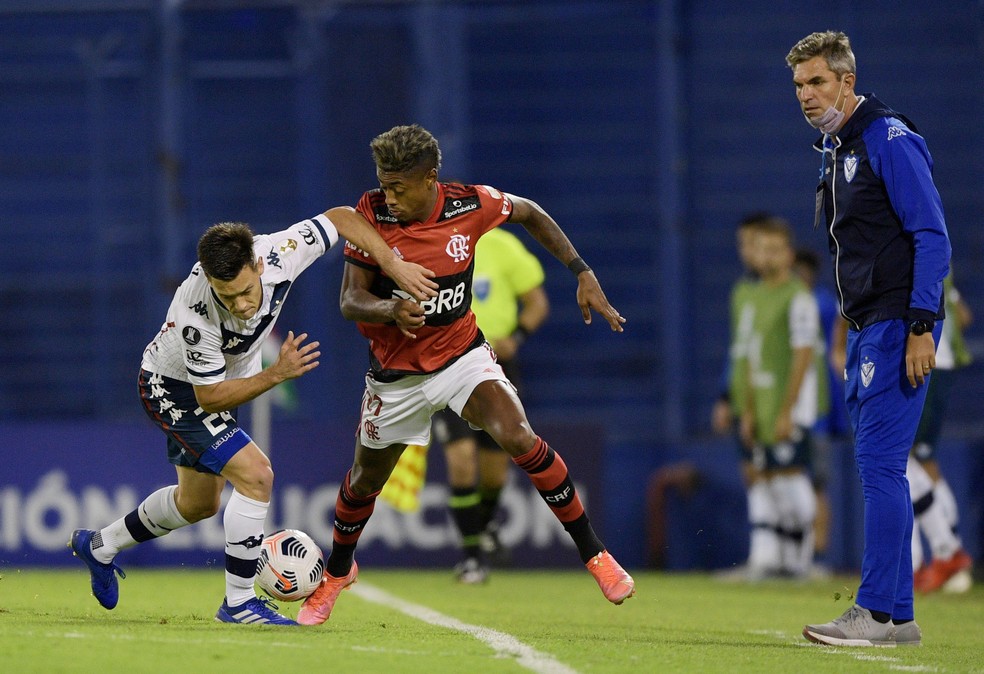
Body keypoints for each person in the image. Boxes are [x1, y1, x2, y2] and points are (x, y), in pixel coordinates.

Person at [297, 124, 633, 626]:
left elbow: (531, 213)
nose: (388, 196)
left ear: (430, 177)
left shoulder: (468, 206)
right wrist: (390, 308)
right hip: (396, 376)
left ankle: (595, 555)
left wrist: (581, 270)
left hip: (461, 357)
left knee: (518, 435)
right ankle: (338, 572)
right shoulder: (371, 215)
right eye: (383, 184)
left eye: (399, 187)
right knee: (365, 479)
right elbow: (349, 300)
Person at [69, 208, 438, 626]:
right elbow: (208, 398)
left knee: (197, 504)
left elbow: (342, 218)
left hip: (222, 384)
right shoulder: (195, 314)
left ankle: (99, 545)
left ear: (258, 264)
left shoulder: (280, 252)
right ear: (210, 282)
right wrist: (276, 374)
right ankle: (240, 602)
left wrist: (391, 261)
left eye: (247, 290)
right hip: (173, 387)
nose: (242, 305)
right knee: (257, 475)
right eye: (228, 297)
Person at [788, 31, 951, 647]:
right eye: (800, 85)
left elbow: (931, 236)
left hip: (894, 325)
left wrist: (919, 326)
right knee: (881, 469)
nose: (806, 95)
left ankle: (876, 613)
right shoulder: (838, 147)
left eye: (818, 82)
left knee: (880, 467)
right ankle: (899, 616)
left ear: (847, 82)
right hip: (867, 327)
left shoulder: (887, 138)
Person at [432, 226, 549, 583]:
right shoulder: (431, 245)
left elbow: (537, 302)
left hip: (496, 365)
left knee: (496, 470)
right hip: (449, 364)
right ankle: (472, 558)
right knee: (462, 460)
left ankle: (481, 533)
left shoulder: (501, 245)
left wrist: (517, 337)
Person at [738, 218, 821, 580]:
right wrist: (749, 408)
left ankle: (803, 557)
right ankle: (783, 558)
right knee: (770, 478)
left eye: (774, 250)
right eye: (762, 249)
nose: (766, 257)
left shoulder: (798, 297)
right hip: (765, 401)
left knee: (790, 476)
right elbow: (753, 357)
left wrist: (788, 409)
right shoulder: (756, 296)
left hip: (791, 405)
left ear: (789, 255)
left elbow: (804, 354)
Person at [711, 212, 780, 581]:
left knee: (790, 476)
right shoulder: (743, 291)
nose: (748, 252)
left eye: (752, 244)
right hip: (747, 394)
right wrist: (726, 395)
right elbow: (740, 350)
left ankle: (793, 557)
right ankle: (766, 556)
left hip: (775, 397)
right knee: (755, 473)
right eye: (744, 244)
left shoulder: (781, 292)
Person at [909, 269, 974, 593]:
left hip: (926, 363)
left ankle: (944, 550)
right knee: (915, 460)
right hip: (935, 363)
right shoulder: (935, 258)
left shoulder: (918, 254)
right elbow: (963, 314)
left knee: (907, 459)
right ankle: (937, 554)